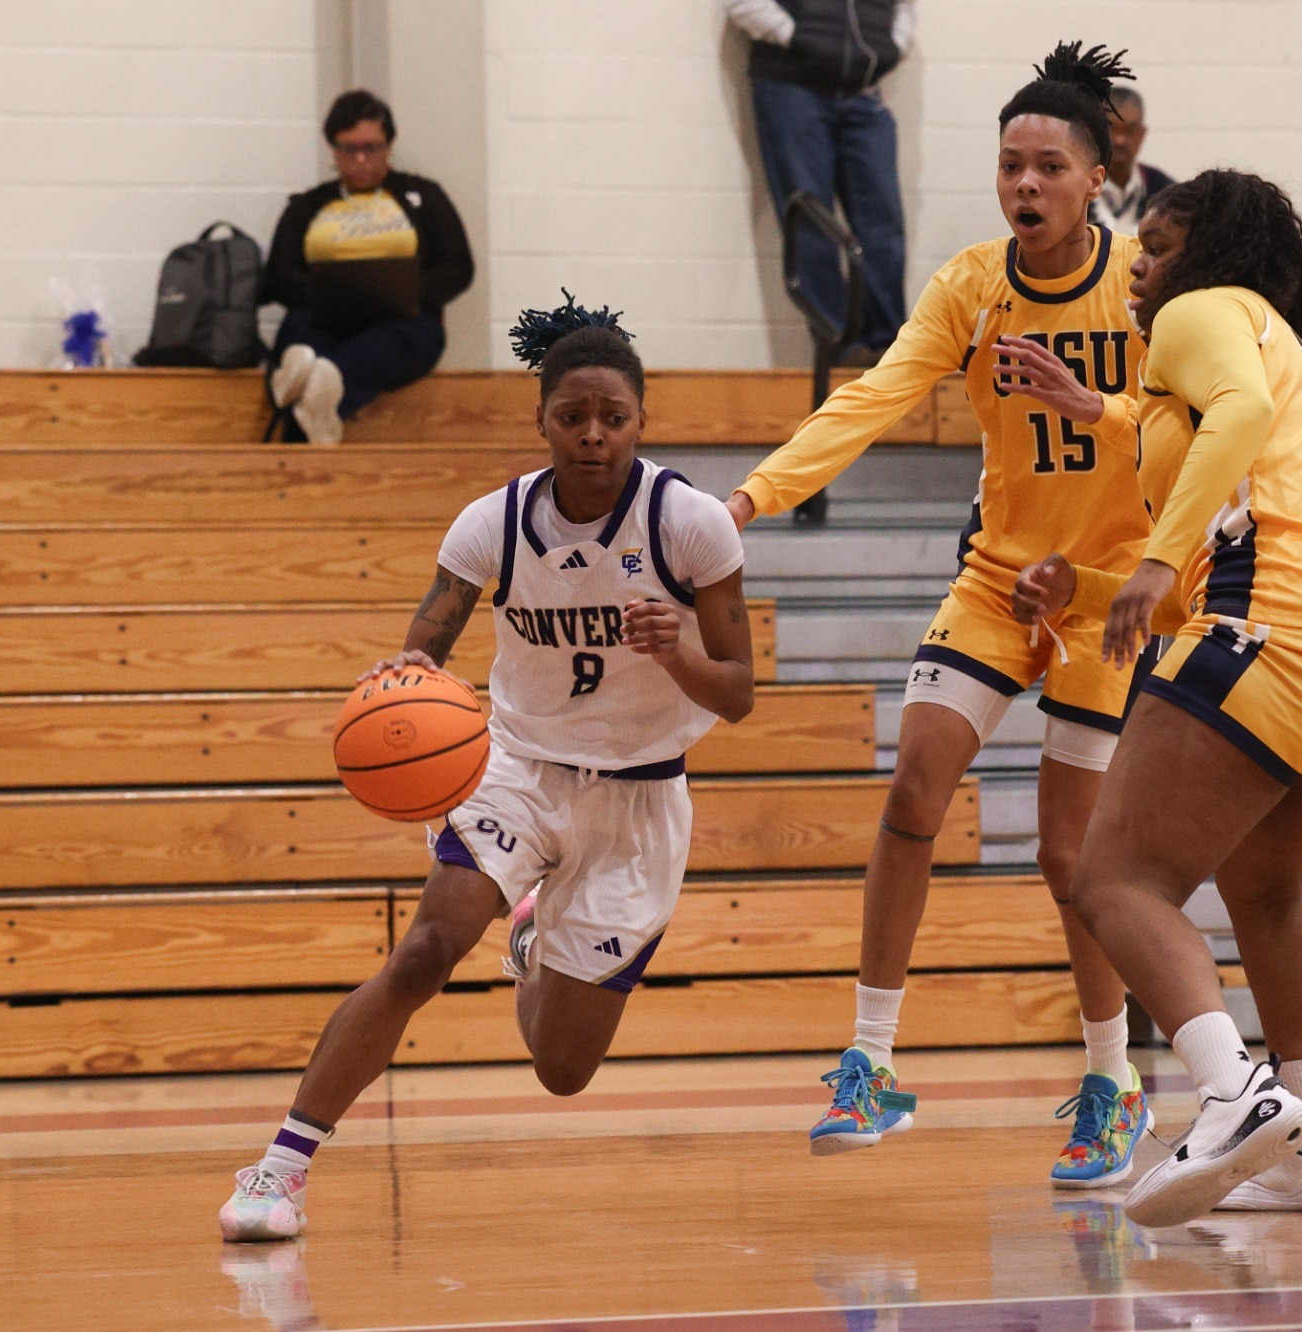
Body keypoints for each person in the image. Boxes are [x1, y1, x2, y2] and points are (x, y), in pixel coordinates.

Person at [220, 296, 755, 1243]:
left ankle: (531, 938)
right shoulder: (492, 522)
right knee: (426, 951)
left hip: (640, 797)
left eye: (613, 417)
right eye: (572, 416)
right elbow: (423, 647)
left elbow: (739, 693)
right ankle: (279, 1171)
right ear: (540, 421)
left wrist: (676, 653)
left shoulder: (692, 524)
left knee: (563, 1069)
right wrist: (405, 679)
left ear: (642, 420)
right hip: (519, 771)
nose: (593, 435)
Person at [727, 43, 1158, 1187]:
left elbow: (1189, 431)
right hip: (1000, 581)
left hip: (1108, 593)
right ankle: (869, 1061)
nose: (1023, 184)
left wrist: (1091, 405)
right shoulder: (971, 285)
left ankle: (1112, 1082)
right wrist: (750, 497)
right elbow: (873, 396)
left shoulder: (1144, 284)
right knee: (913, 787)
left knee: (1068, 853)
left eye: (1047, 167)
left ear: (1096, 177)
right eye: (1009, 164)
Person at [1011, 169, 1302, 1226]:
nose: (1138, 266)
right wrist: (1095, 589)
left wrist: (1156, 560)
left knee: (1112, 876)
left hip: (1290, 625)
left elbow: (1230, 465)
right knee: (1262, 878)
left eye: (1158, 246)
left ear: (1208, 257)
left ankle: (1230, 1094)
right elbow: (1211, 563)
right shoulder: (1275, 347)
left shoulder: (1201, 313)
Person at [263, 90, 475, 445]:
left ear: (388, 147)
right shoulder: (307, 207)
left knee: (409, 336)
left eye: (371, 148)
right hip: (326, 319)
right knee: (298, 326)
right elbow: (280, 277)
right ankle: (311, 374)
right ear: (333, 150)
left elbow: (457, 267)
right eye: (349, 149)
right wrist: (338, 296)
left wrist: (401, 293)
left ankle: (317, 380)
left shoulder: (423, 198)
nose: (361, 159)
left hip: (402, 320)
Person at [728, 0, 914, 363]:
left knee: (884, 223)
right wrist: (798, 38)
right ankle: (840, 346)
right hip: (791, 84)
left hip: (864, 91)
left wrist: (893, 47)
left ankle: (887, 347)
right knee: (811, 221)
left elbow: (906, 8)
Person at [1089, 87, 1175, 235]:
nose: (1120, 140)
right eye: (1111, 129)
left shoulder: (1165, 191)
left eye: (1129, 130)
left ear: (1142, 134)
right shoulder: (1077, 187)